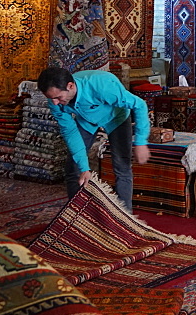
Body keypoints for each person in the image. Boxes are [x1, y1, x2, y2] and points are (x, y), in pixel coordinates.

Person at [38, 68, 151, 211]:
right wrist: (84, 168)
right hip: (87, 120)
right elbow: (70, 132)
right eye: (51, 98)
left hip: (116, 117)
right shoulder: (54, 100)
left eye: (58, 97)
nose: (54, 103)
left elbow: (139, 104)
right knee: (73, 166)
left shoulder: (103, 87)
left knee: (122, 165)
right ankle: (77, 214)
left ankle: (125, 216)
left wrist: (141, 142)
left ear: (70, 86)